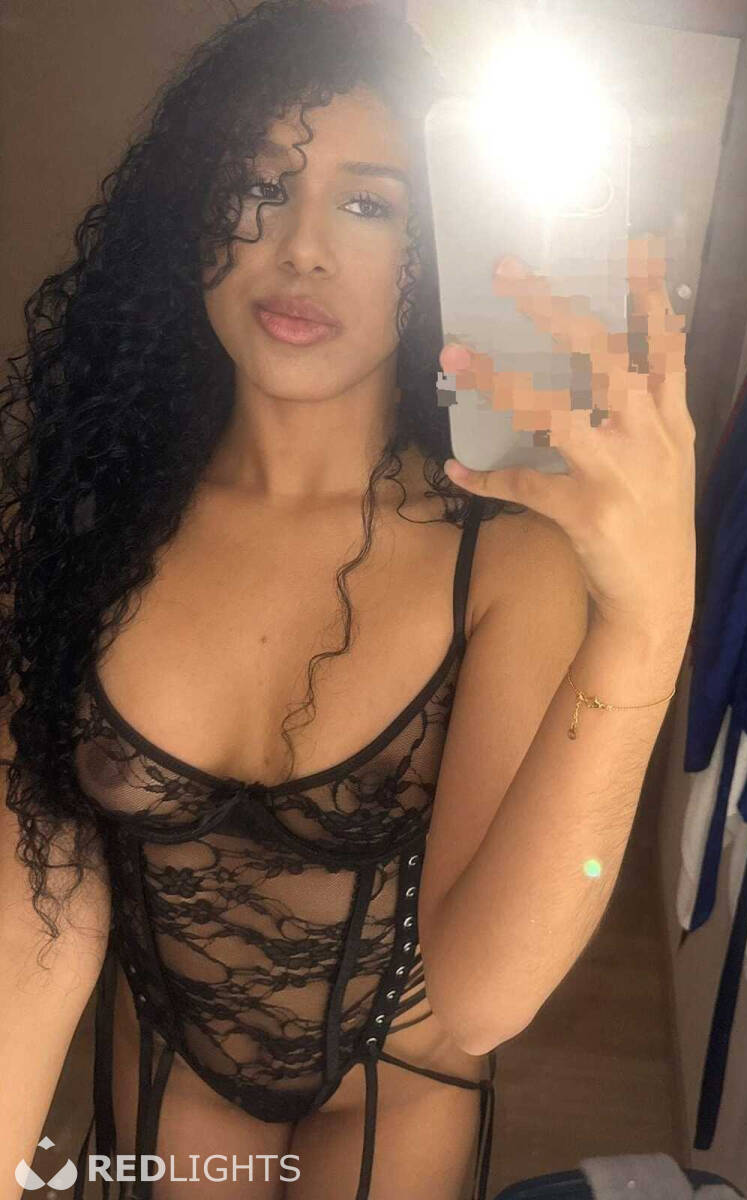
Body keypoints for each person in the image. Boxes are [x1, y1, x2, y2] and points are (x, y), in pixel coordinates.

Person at [0, 2, 695, 1198]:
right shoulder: (85, 525)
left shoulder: (503, 557)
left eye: (368, 205)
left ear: (437, 248)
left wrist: (647, 627)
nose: (302, 248)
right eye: (257, 186)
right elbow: (35, 910)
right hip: (167, 1067)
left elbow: (483, 997)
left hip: (400, 1081)